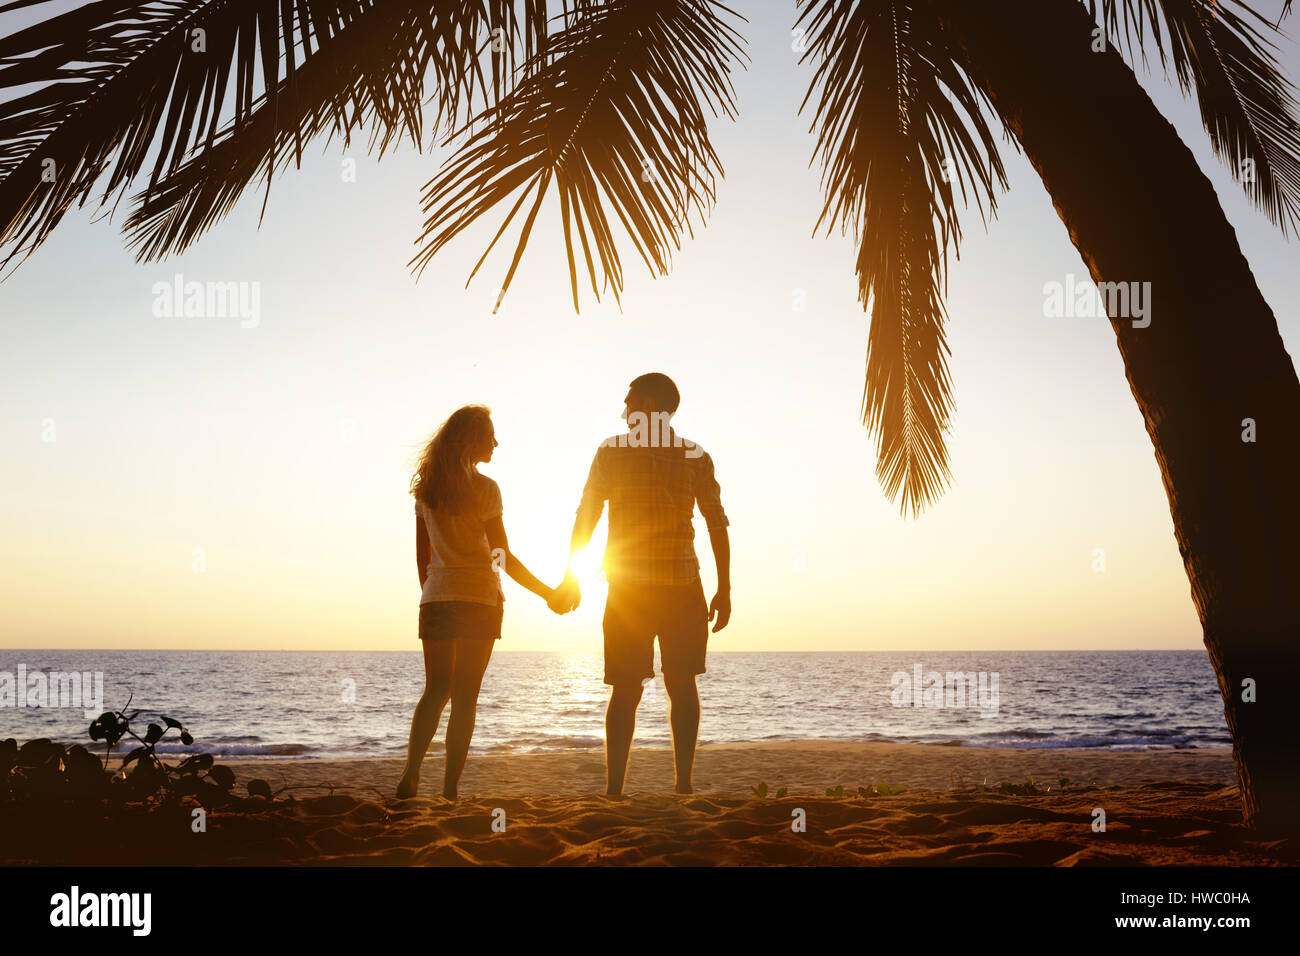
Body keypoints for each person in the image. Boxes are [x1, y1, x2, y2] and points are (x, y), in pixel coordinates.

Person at [554, 373, 731, 795]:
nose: (623, 410)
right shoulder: (672, 455)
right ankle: (634, 789)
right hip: (655, 588)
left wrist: (725, 588)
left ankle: (664, 787)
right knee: (646, 686)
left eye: (630, 401)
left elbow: (715, 521)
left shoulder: (684, 457)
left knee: (649, 686)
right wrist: (571, 575)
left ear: (650, 406)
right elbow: (589, 513)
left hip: (657, 587)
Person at [398, 405, 569, 800]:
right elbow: (501, 556)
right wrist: (548, 593)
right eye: (489, 435)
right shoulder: (486, 488)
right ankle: (451, 790)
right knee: (465, 697)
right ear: (470, 441)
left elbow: (422, 560)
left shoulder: (427, 489)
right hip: (478, 600)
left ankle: (411, 774)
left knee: (434, 690)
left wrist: (436, 591)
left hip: (437, 598)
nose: (496, 442)